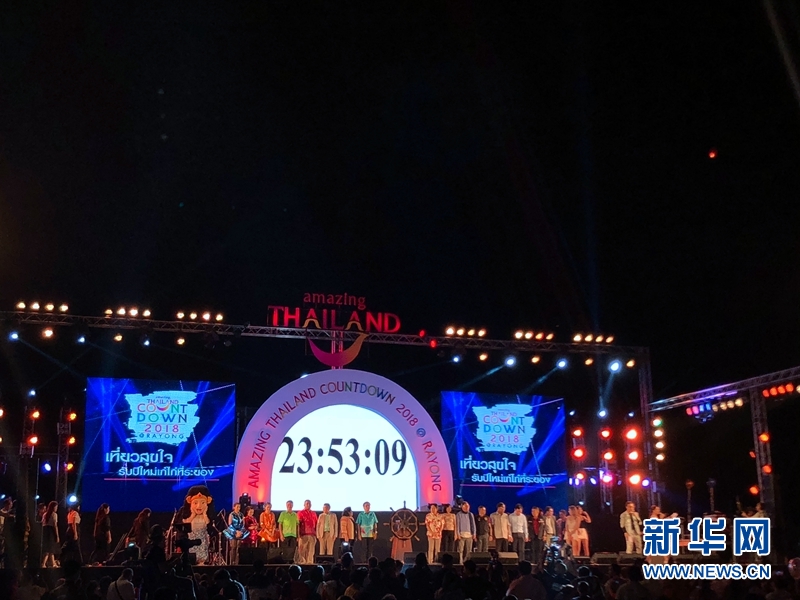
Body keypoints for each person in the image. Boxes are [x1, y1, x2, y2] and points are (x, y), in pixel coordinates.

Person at [182, 487, 212, 566]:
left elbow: (208, 523)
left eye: (202, 503)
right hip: (192, 539)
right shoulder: (190, 517)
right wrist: (192, 514)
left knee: (202, 558)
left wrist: (205, 513)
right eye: (195, 503)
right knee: (192, 557)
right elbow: (185, 523)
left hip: (202, 539)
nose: (199, 506)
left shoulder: (204, 517)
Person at [297, 499, 318, 564]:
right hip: (303, 534)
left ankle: (310, 563)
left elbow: (316, 524)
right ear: (304, 505)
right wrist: (298, 535)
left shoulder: (313, 513)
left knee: (311, 551)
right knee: (302, 550)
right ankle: (302, 563)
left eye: (309, 503)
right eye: (307, 503)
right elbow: (298, 524)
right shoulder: (300, 513)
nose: (308, 505)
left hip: (312, 534)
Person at [41, 500, 60, 567]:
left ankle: (53, 563)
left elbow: (42, 523)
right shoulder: (54, 514)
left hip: (45, 532)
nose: (56, 508)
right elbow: (55, 525)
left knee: (50, 549)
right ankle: (43, 563)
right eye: (56, 507)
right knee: (49, 549)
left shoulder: (45, 514)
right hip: (51, 531)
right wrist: (57, 536)